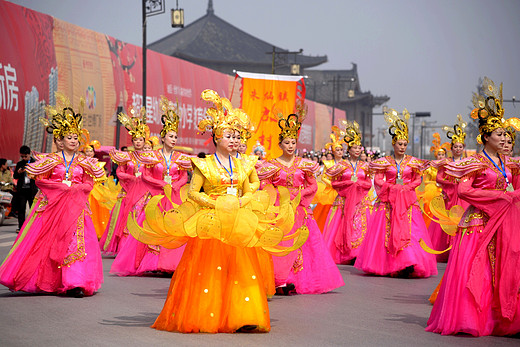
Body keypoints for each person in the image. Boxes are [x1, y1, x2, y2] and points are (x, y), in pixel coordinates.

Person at [127, 89, 305, 333]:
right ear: (216, 137)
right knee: (211, 267)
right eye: (228, 135)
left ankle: (243, 314)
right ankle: (207, 313)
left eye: (236, 135)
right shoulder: (204, 164)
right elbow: (193, 192)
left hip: (240, 219)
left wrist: (244, 201)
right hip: (211, 219)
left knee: (242, 268)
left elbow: (251, 187)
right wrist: (214, 203)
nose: (233, 140)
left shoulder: (244, 162)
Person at [426, 78, 520, 336]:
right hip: (477, 224)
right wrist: (498, 198)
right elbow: (464, 190)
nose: (504, 139)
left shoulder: (507, 162)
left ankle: (501, 317)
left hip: (501, 224)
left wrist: (509, 197)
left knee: (501, 270)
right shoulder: (475, 162)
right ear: (485, 137)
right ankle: (473, 318)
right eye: (499, 134)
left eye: (505, 135)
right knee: (477, 271)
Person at [0, 93, 105, 297]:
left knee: (76, 243)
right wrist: (59, 187)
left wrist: (77, 188)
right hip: (53, 207)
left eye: (76, 137)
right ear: (60, 140)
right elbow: (40, 180)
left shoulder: (83, 161)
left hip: (76, 209)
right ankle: (48, 280)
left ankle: (75, 282)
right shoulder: (51, 160)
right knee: (49, 243)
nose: (74, 141)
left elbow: (89, 183)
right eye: (69, 137)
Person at [259, 109, 344, 294]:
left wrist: (298, 196)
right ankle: (280, 280)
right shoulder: (271, 165)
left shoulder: (304, 165)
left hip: (300, 210)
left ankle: (296, 279)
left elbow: (313, 186)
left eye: (293, 142)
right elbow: (265, 186)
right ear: (280, 144)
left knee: (303, 245)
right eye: (287, 142)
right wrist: (281, 197)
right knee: (281, 244)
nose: (290, 146)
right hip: (279, 211)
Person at [110, 96, 191, 275]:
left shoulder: (181, 158)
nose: (174, 139)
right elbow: (146, 176)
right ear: (163, 137)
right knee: (152, 228)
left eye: (176, 136)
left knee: (173, 229)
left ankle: (171, 263)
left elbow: (184, 177)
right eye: (171, 136)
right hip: (156, 197)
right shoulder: (153, 156)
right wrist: (162, 184)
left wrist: (177, 185)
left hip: (174, 198)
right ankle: (153, 262)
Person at [354, 109, 437, 278]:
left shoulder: (412, 162)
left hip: (407, 202)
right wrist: (391, 187)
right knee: (387, 230)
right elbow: (378, 180)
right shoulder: (385, 162)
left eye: (405, 144)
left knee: (410, 231)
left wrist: (407, 187)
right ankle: (389, 263)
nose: (402, 147)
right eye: (400, 144)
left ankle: (409, 261)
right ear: (393, 144)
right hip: (389, 202)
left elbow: (417, 179)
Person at [99, 107, 151, 255]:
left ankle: (139, 248)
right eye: (135, 140)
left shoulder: (150, 158)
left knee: (141, 220)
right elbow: (120, 173)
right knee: (124, 220)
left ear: (144, 140)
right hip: (128, 192)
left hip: (144, 193)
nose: (138, 142)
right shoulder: (126, 157)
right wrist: (132, 178)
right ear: (132, 141)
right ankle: (123, 248)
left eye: (141, 140)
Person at [322, 121, 372, 264]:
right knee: (343, 226)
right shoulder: (341, 166)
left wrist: (360, 185)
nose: (357, 150)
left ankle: (359, 253)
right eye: (354, 148)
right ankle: (344, 253)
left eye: (359, 148)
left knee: (361, 226)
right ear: (348, 149)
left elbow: (369, 183)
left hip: (361, 202)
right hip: (343, 201)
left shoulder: (365, 166)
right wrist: (347, 185)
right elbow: (333, 182)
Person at [313, 126, 343, 232]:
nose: (339, 152)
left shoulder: (346, 164)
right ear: (333, 152)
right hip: (331, 191)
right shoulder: (328, 163)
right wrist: (333, 184)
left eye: (341, 150)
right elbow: (324, 177)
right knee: (326, 215)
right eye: (337, 150)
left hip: (343, 191)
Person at [13, 146, 38, 231]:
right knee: (21, 209)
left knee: (32, 209)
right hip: (22, 189)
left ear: (29, 154)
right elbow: (15, 176)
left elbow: (39, 176)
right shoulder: (20, 164)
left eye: (25, 156)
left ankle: (32, 227)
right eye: (22, 156)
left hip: (32, 189)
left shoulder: (35, 163)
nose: (24, 158)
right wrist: (18, 172)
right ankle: (21, 227)